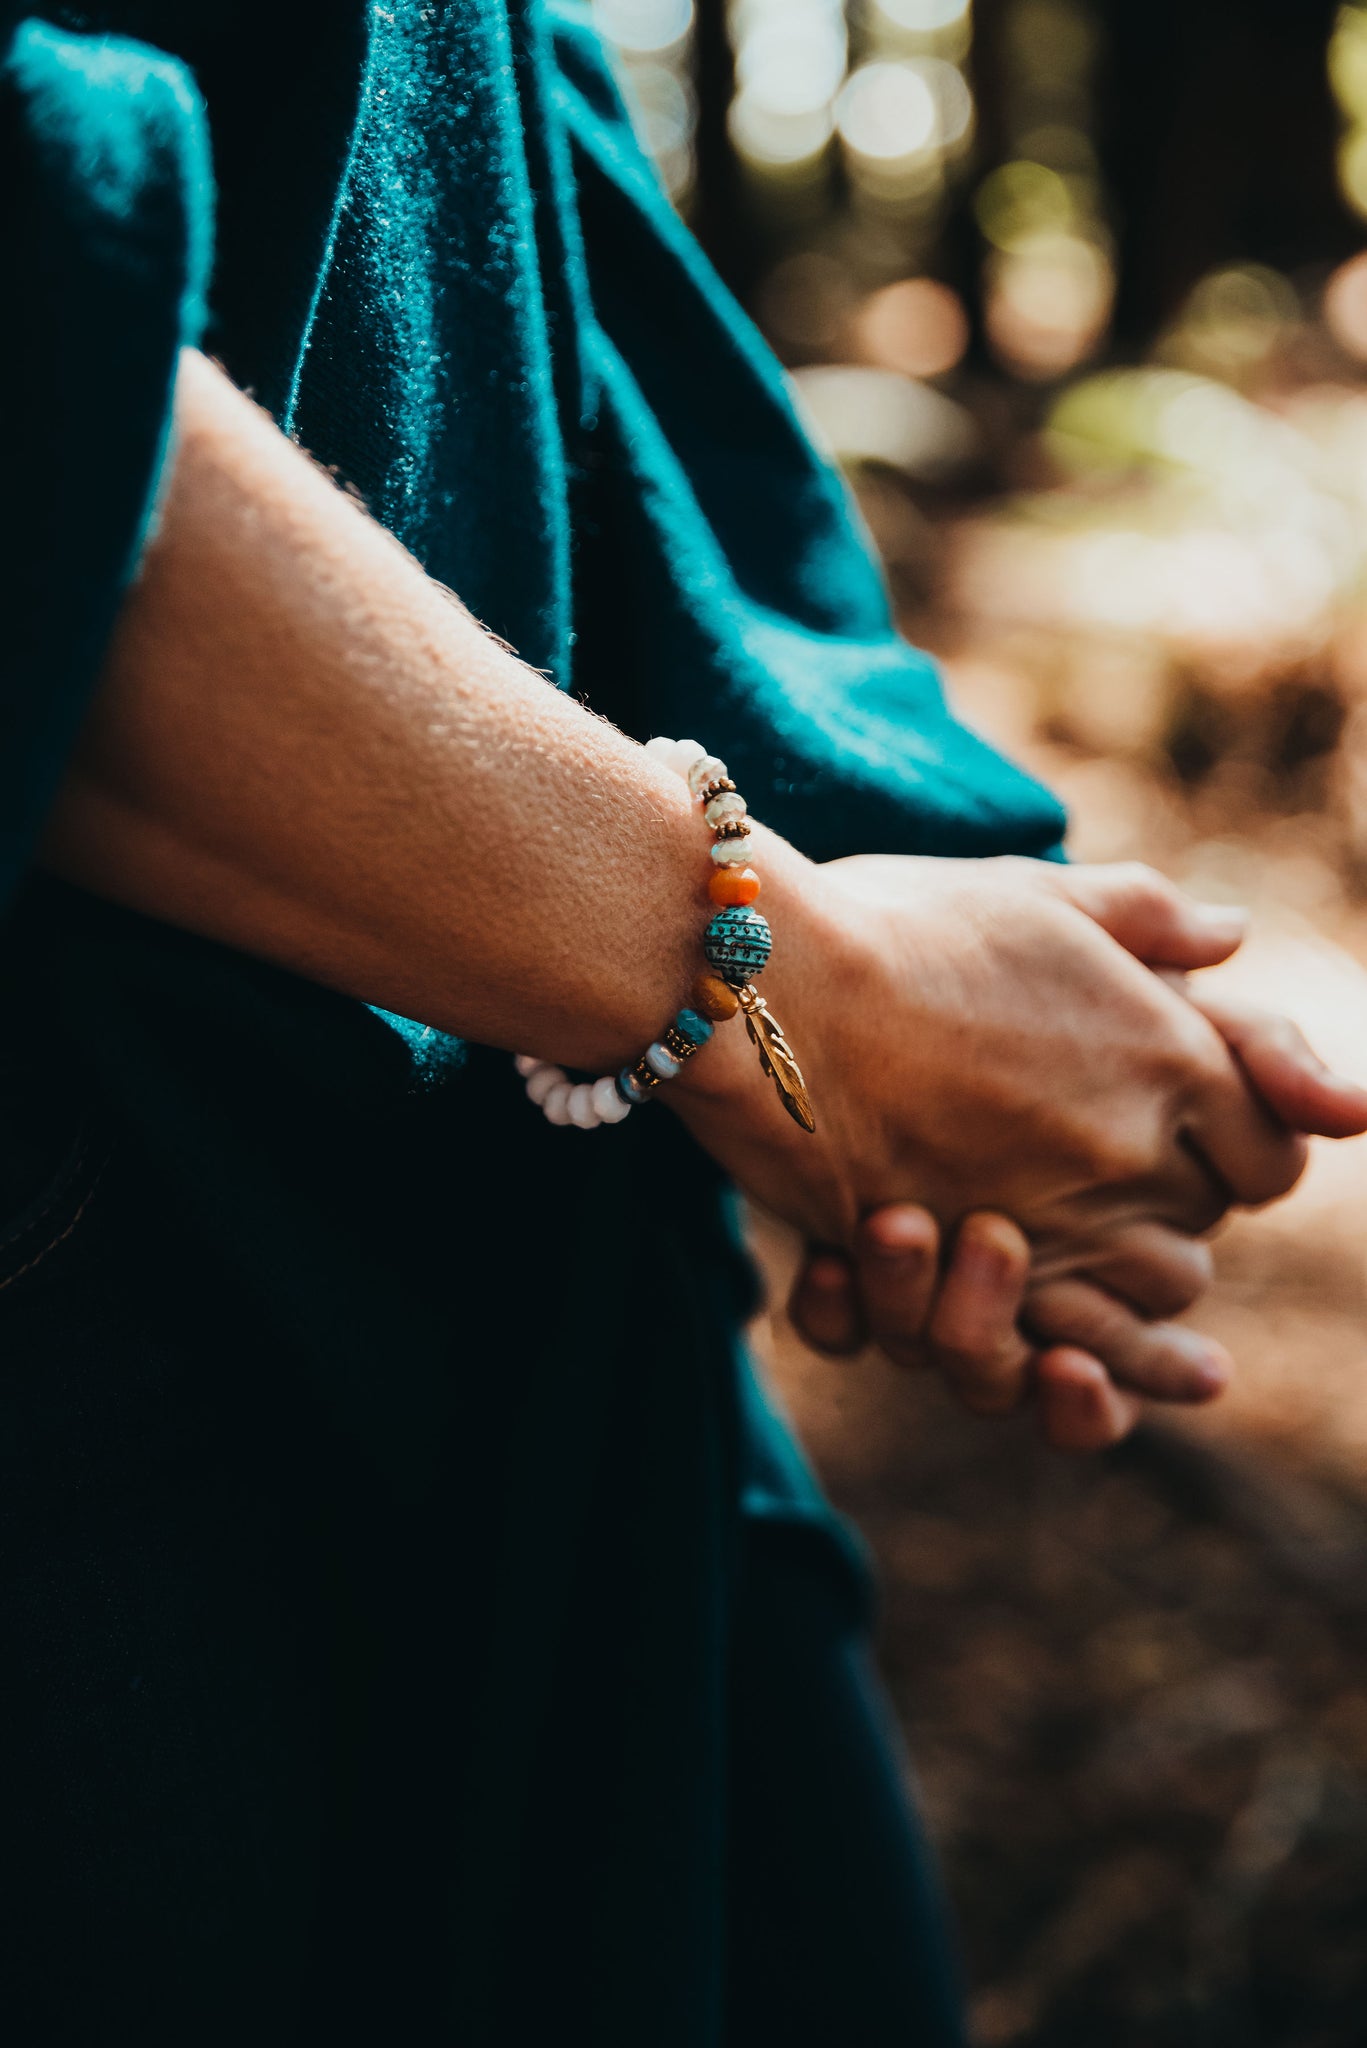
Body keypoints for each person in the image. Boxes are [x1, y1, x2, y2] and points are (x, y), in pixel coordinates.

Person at [3, 5, 1363, 2042]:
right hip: (116, 1472)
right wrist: (780, 977)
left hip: (563, 1401)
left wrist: (946, 901)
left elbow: (476, 152)